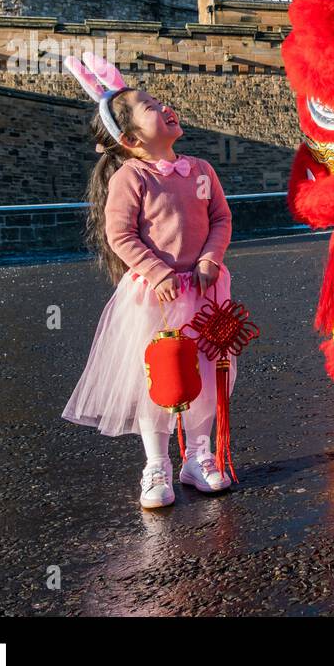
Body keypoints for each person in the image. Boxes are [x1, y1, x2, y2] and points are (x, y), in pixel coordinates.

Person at [60, 51, 238, 509]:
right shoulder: (130, 176)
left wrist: (210, 260)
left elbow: (220, 217)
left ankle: (197, 457)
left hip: (204, 288)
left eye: (160, 101)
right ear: (131, 137)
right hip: (155, 296)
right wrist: (158, 272)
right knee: (159, 378)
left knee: (203, 375)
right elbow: (119, 233)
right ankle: (155, 464)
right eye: (150, 107)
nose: (164, 108)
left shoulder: (201, 170)